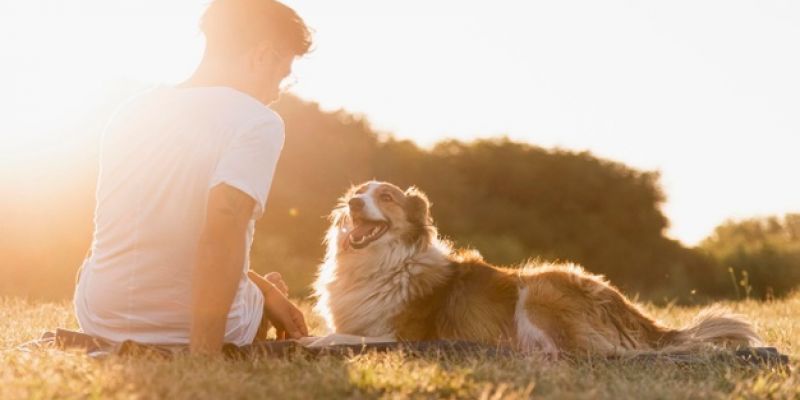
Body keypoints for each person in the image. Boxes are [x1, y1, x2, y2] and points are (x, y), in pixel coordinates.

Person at [73, 0, 312, 355]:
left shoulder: (131, 111)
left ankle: (257, 292)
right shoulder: (257, 121)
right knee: (250, 289)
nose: (277, 91)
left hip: (101, 320)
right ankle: (255, 299)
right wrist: (204, 355)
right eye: (282, 74)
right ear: (261, 55)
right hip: (193, 332)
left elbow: (154, 238)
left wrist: (259, 287)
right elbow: (225, 222)